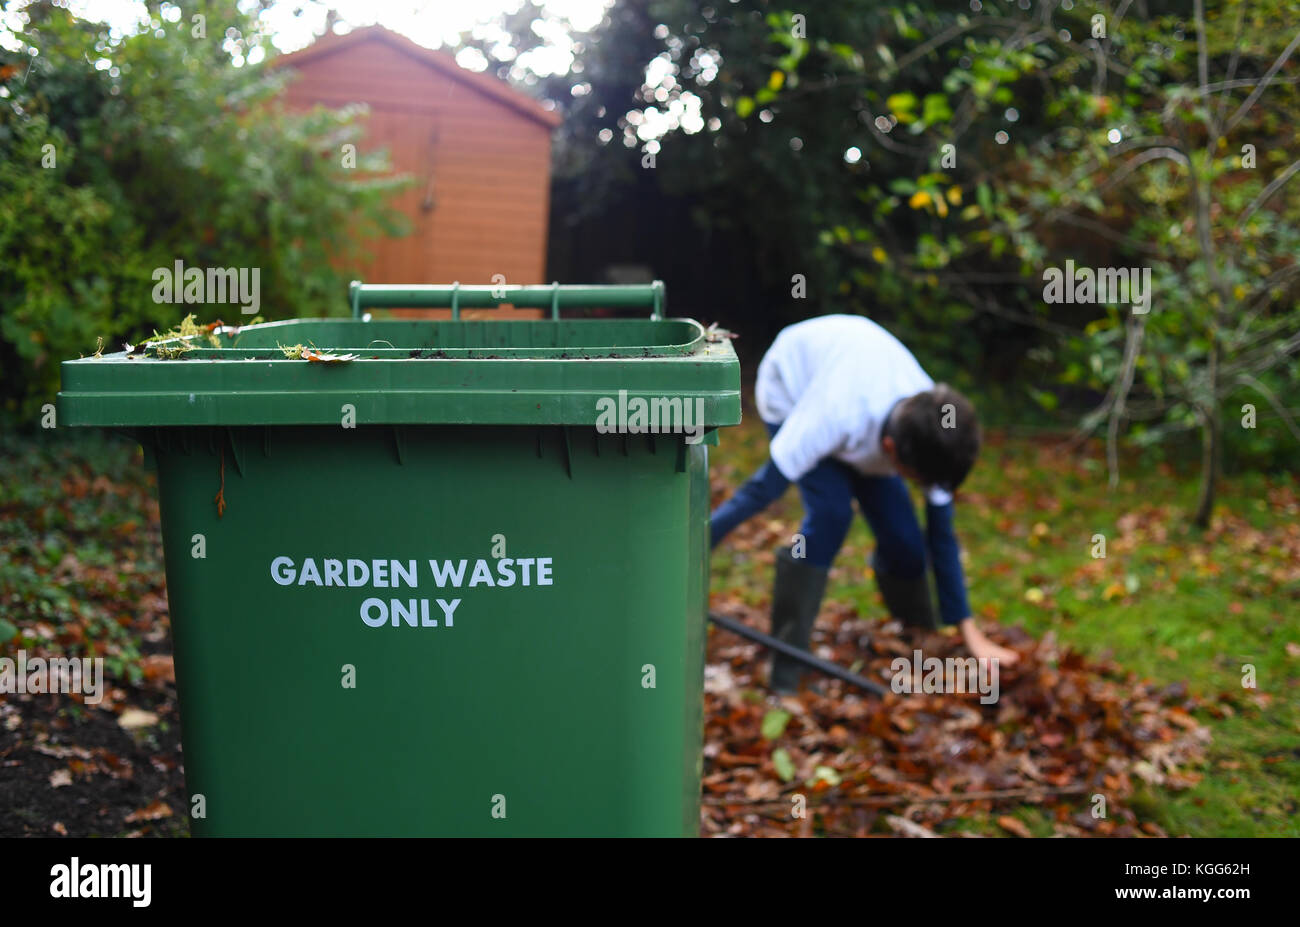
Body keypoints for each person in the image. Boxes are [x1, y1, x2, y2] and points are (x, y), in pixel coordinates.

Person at [710, 314, 1018, 693]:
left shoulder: (938, 433)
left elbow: (941, 535)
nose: (921, 486)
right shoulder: (829, 416)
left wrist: (969, 631)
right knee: (831, 515)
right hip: (791, 390)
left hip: (857, 395)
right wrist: (698, 545)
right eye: (914, 479)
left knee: (904, 538)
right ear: (890, 452)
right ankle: (786, 671)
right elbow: (760, 490)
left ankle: (918, 642)